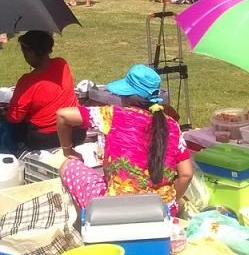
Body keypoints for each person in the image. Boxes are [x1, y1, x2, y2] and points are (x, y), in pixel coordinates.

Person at [56, 64, 194, 214]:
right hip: (159, 210)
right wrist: (170, 203)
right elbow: (186, 174)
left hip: (116, 210)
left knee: (69, 165)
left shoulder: (113, 115)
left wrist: (68, 150)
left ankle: (85, 220)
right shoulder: (172, 126)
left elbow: (63, 115)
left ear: (126, 96)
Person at [5, 30, 84, 150]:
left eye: (24, 54)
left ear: (31, 53)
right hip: (76, 130)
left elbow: (15, 117)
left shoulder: (27, 82)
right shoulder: (62, 64)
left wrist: (4, 114)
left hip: (48, 139)